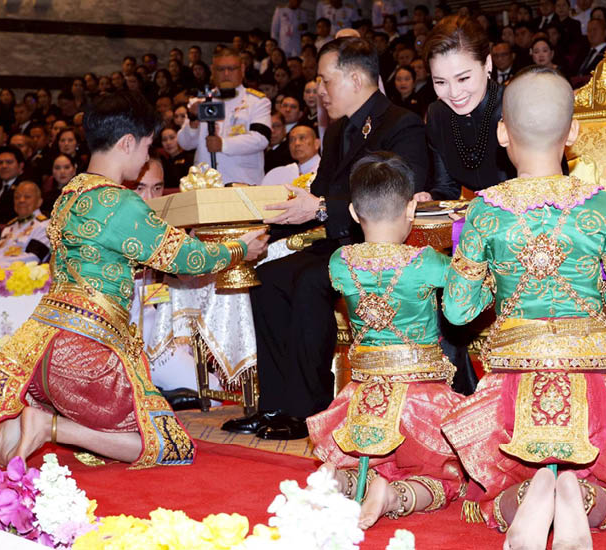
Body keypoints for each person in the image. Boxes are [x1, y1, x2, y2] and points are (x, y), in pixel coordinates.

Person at [0, 90, 269, 469]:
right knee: (170, 445)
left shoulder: (68, 195)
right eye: (146, 146)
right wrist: (238, 249)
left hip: (36, 349)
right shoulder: (119, 202)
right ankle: (48, 426)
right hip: (83, 354)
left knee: (22, 448)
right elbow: (188, 259)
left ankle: (26, 417)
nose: (145, 158)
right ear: (127, 142)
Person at [440, 67, 606, 547]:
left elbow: (458, 313)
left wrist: (493, 288)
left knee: (494, 498)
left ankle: (534, 489)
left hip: (510, 386)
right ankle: (573, 489)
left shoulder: (485, 209)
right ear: (574, 133)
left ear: (503, 132)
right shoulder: (602, 205)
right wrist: (596, 288)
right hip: (592, 385)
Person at [226, 37, 429, 440]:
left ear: (354, 78)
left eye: (325, 79)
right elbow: (319, 194)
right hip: (337, 240)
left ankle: (308, 411)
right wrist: (267, 228)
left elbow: (394, 194)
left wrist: (319, 209)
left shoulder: (401, 124)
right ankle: (276, 405)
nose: (320, 89)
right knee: (268, 278)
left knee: (308, 282)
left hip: (378, 245)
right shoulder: (338, 131)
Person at [306, 152, 465, 530]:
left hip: (362, 396)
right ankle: (394, 496)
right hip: (420, 399)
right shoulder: (424, 261)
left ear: (354, 213)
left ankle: (338, 480)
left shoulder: (340, 261)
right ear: (412, 207)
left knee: (360, 459)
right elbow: (466, 285)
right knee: (451, 476)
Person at [419, 16, 515, 200]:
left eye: (463, 78)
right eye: (440, 82)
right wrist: (430, 199)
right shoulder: (438, 114)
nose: (454, 93)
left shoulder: (515, 106)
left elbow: (545, 184)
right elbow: (446, 187)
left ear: (487, 64)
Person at [178, 47, 272, 185]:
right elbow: (185, 144)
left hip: (243, 183)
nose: (226, 74)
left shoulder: (257, 101)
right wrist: (193, 121)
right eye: (220, 69)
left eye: (232, 68)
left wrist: (224, 144)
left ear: (242, 69)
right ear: (212, 70)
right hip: (205, 185)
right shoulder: (200, 103)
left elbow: (261, 138)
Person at [0, 181, 51, 268]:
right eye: (17, 197)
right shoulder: (9, 228)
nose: (21, 200)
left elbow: (33, 258)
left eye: (27, 197)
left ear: (39, 202)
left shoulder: (45, 226)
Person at [0, 146, 25, 223]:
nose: (4, 166)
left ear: (20, 166)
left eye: (9, 162)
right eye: (0, 163)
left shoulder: (25, 187)